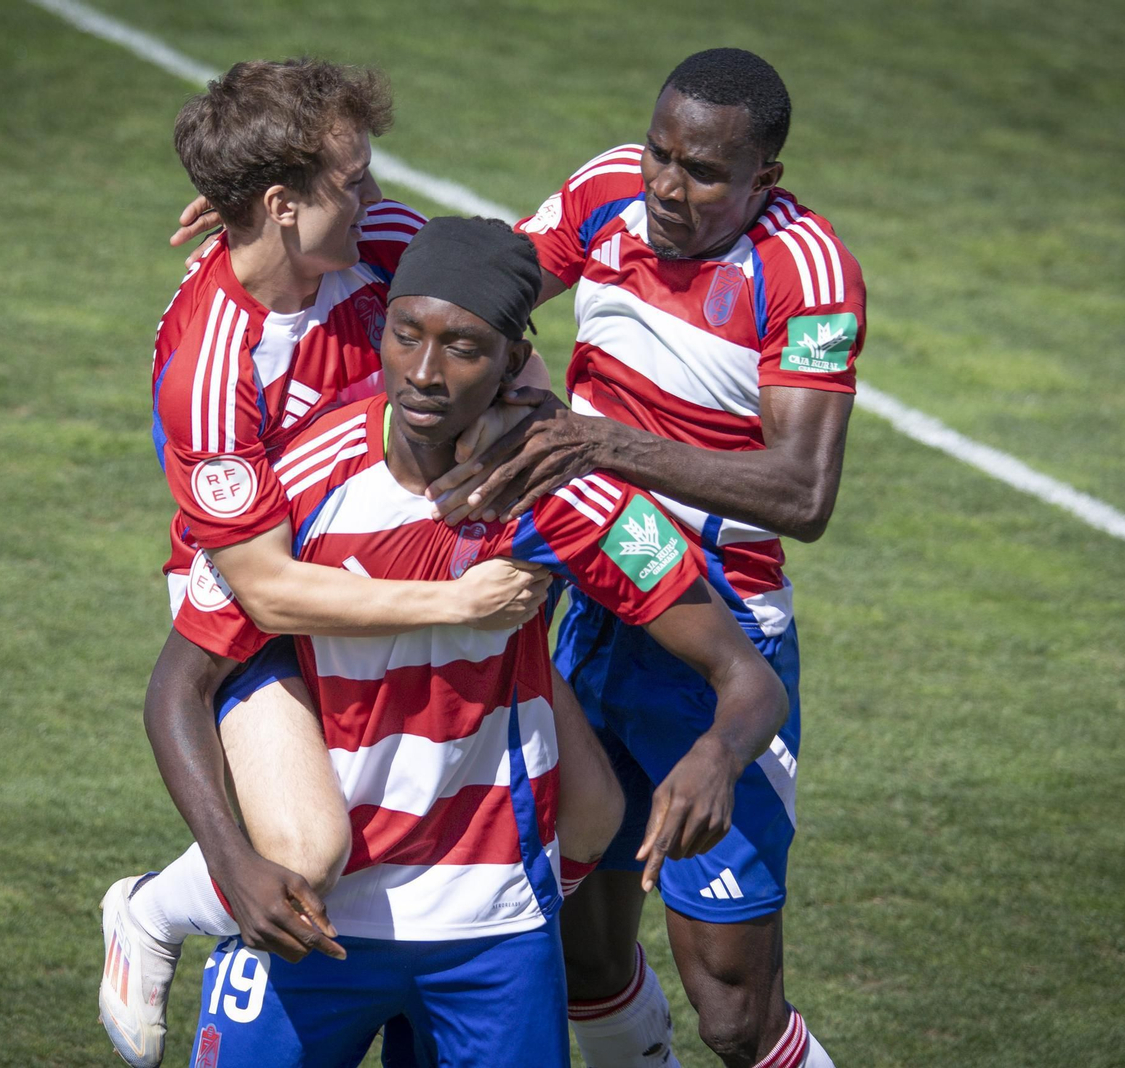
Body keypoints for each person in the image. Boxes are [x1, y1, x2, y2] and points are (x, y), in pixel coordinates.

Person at [155, 216, 789, 1067]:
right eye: (405, 333)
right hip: (315, 913)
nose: (423, 372)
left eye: (462, 347)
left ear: (511, 356)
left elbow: (747, 677)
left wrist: (717, 753)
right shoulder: (300, 486)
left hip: (491, 935)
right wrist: (232, 861)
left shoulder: (563, 497)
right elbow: (178, 688)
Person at [100, 60, 618, 1068]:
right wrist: (458, 602)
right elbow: (264, 587)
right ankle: (154, 913)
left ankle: (476, 952)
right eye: (354, 177)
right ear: (284, 208)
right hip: (271, 601)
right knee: (306, 851)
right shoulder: (211, 367)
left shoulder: (375, 242)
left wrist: (523, 402)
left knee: (593, 806)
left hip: (403, 558)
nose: (378, 195)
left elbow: (500, 317)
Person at [423, 48, 862, 1068]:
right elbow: (484, 285)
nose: (667, 187)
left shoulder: (804, 273)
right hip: (588, 608)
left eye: (704, 172)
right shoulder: (607, 189)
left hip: (713, 632)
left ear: (764, 180)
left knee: (733, 1014)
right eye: (662, 154)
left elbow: (801, 492)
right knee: (579, 957)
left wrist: (603, 441)